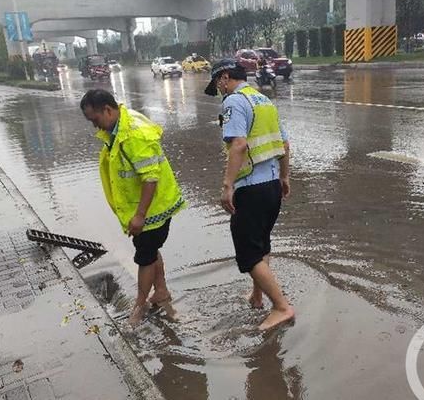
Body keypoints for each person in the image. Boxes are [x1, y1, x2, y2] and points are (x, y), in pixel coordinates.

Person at [80, 89, 185, 327]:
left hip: (151, 210)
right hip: (149, 208)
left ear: (107, 110)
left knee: (144, 257)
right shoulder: (119, 128)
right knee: (150, 249)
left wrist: (139, 216)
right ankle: (161, 291)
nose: (95, 127)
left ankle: (139, 305)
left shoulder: (132, 135)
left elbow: (150, 178)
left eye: (95, 120)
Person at [204, 59, 295, 331]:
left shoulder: (234, 102)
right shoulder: (263, 100)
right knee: (261, 244)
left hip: (251, 189)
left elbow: (239, 145)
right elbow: (285, 143)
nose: (219, 89)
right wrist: (284, 176)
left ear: (225, 77)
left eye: (218, 83)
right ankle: (258, 295)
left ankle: (281, 307)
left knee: (247, 253)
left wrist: (227, 185)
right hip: (272, 187)